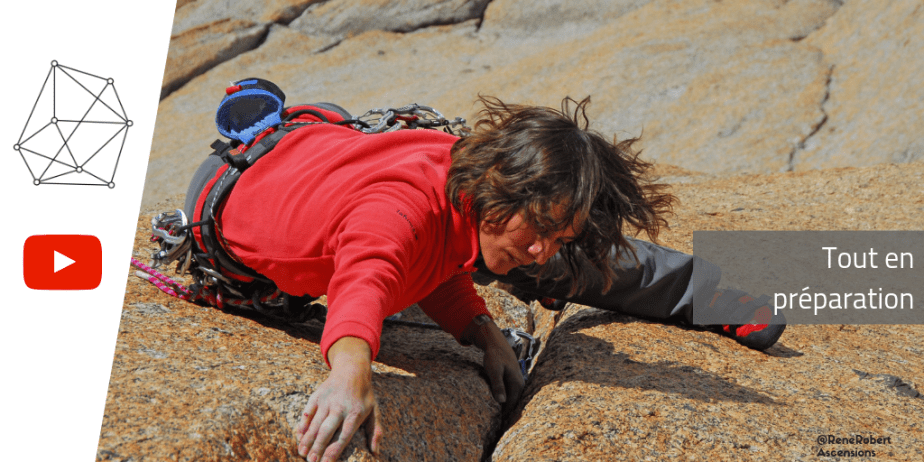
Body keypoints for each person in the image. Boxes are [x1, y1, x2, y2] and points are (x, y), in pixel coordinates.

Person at [183, 95, 783, 462]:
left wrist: (481, 330)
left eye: (556, 233)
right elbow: (369, 275)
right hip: (241, 182)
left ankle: (710, 291)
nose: (541, 246)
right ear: (498, 187)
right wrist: (349, 373)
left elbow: (433, 263)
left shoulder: (469, 195)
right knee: (553, 267)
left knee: (564, 259)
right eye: (537, 226)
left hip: (316, 149)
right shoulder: (398, 212)